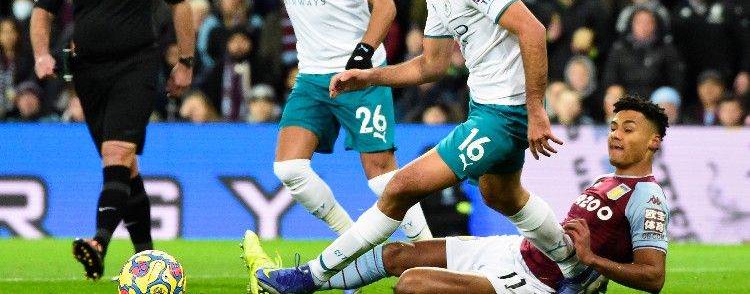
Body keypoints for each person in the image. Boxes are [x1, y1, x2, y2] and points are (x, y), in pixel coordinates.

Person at [254, 0, 598, 294]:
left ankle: (310, 277)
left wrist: (536, 110)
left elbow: (533, 30)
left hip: (504, 116)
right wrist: (369, 76)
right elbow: (431, 66)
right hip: (487, 110)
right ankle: (578, 270)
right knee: (501, 195)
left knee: (398, 187)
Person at [175, 0, 432, 250]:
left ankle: (431, 254)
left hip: (359, 77)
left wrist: (360, 59)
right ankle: (354, 245)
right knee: (289, 168)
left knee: (381, 179)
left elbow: (385, 5)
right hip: (312, 75)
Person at [246, 95, 670, 293]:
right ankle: (295, 287)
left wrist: (592, 262)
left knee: (412, 285)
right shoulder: (606, 181)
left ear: (653, 143)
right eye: (614, 127)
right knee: (398, 255)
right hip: (516, 251)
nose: (616, 135)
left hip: (536, 283)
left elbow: (653, 278)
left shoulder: (647, 198)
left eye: (629, 129)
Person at [29, 0, 194, 280]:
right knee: (126, 167)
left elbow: (181, 4)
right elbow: (43, 8)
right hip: (87, 71)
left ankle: (99, 241)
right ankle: (148, 258)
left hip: (137, 64)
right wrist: (39, 55)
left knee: (116, 155)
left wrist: (185, 61)